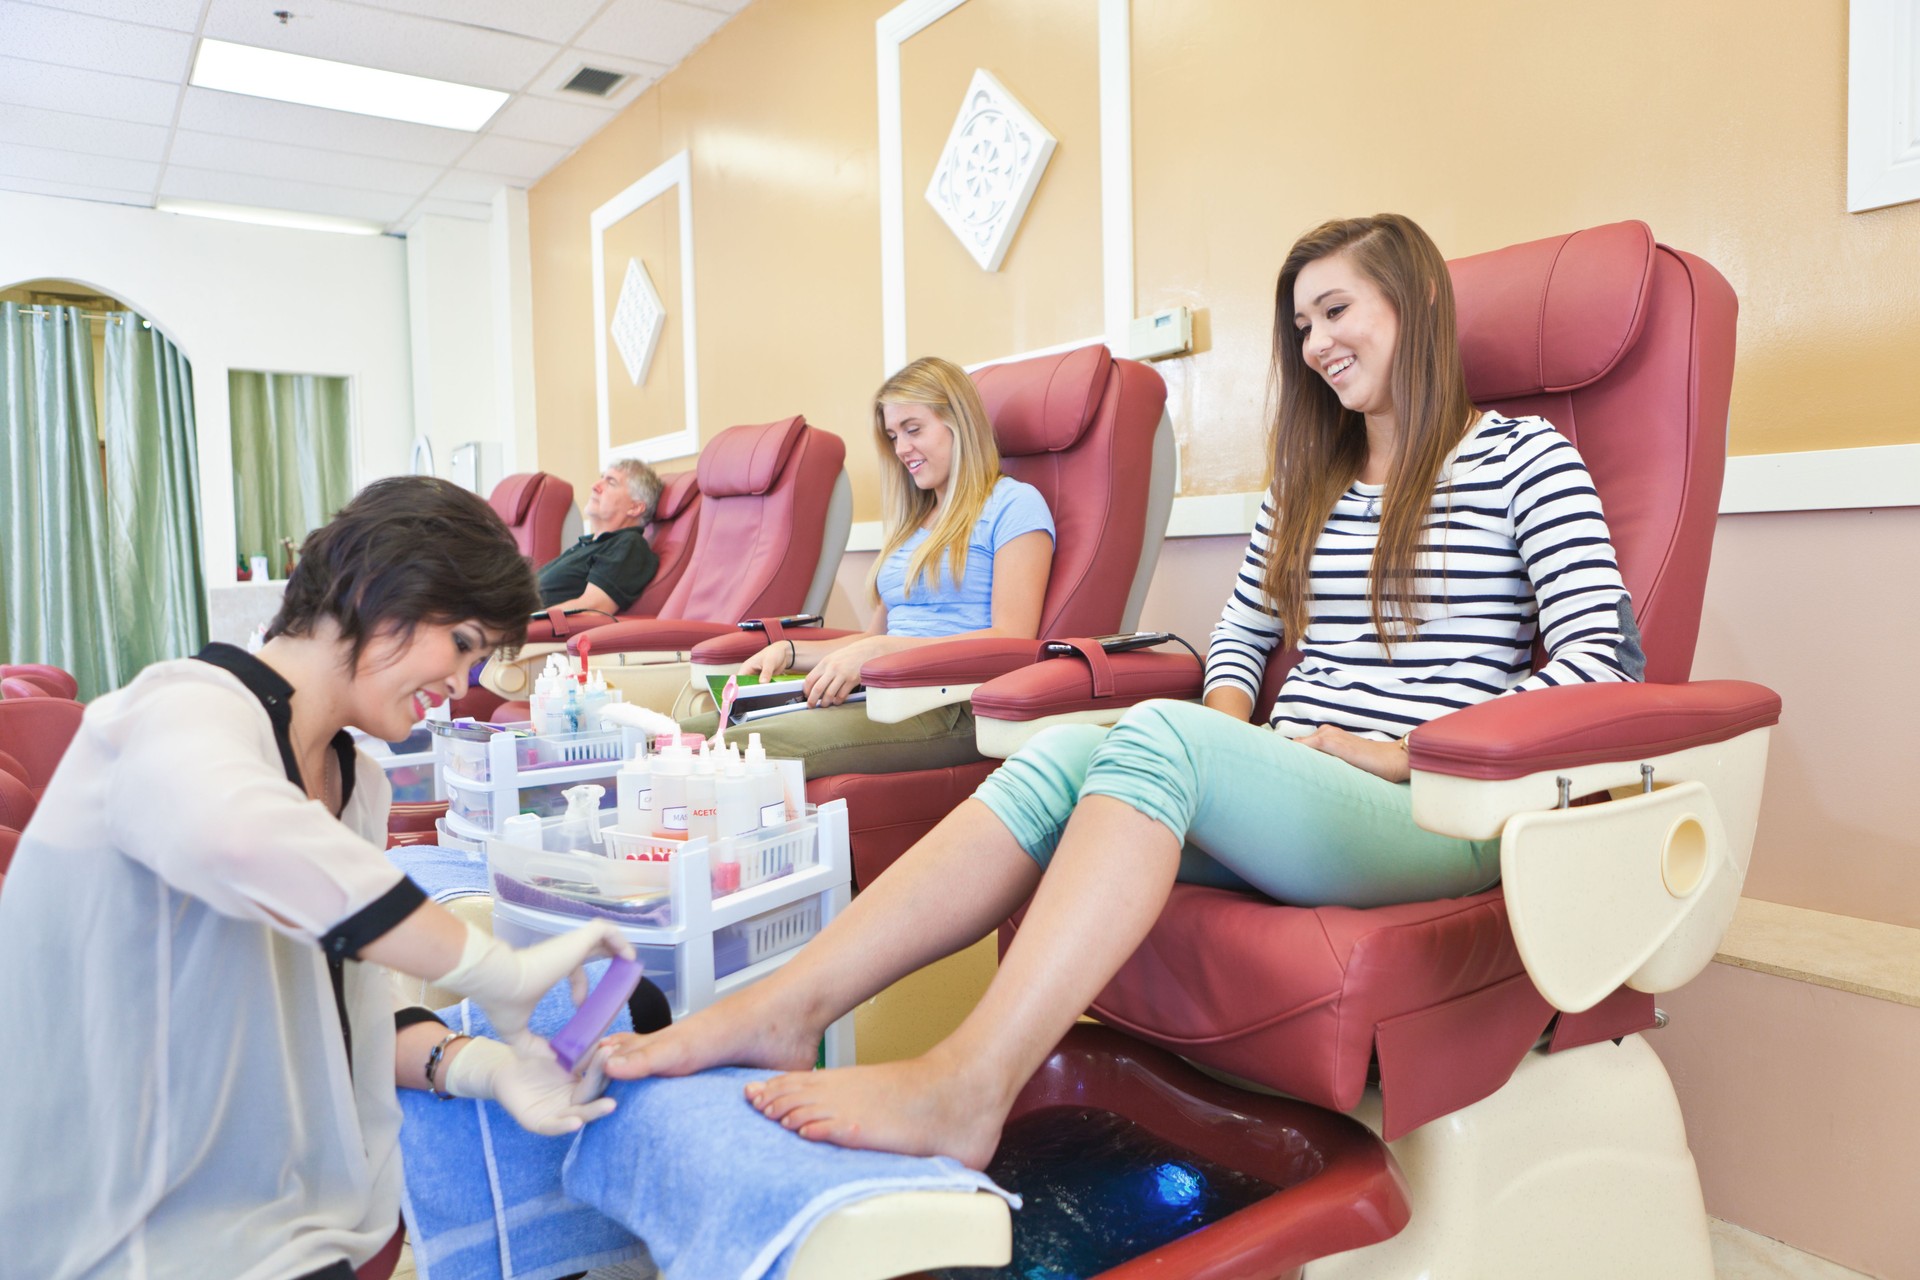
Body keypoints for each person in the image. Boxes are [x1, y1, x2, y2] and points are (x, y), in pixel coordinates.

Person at [595, 213, 1648, 1169]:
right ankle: (790, 1004)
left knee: (1158, 740)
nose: (1317, 343)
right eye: (1301, 324)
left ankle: (969, 1083)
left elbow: (1601, 660)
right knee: (1062, 753)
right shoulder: (1309, 482)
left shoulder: (1523, 457)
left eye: (1337, 309)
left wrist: (1403, 751)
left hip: (1440, 804)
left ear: (1416, 302)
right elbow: (1241, 636)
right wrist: (1227, 736)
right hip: (1303, 783)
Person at [0, 477, 635, 1279]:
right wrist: (490, 966)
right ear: (379, 593)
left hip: (293, 1218)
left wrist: (482, 1067)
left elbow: (341, 1008)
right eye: (465, 641)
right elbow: (236, 834)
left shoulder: (354, 782)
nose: (467, 678)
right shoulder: (180, 711)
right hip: (137, 1233)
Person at [679, 355, 1054, 778]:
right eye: (894, 436)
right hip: (883, 692)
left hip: (953, 704)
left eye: (913, 429)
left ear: (959, 423)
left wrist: (881, 652)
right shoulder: (914, 524)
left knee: (740, 751)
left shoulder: (1014, 504)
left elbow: (1015, 639)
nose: (901, 449)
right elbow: (873, 638)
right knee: (681, 737)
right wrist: (788, 651)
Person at [537, 458, 664, 616]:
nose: (595, 486)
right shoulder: (588, 544)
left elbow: (593, 608)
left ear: (635, 507)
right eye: (602, 478)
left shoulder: (628, 545)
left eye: (611, 482)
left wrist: (520, 622)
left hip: (529, 633)